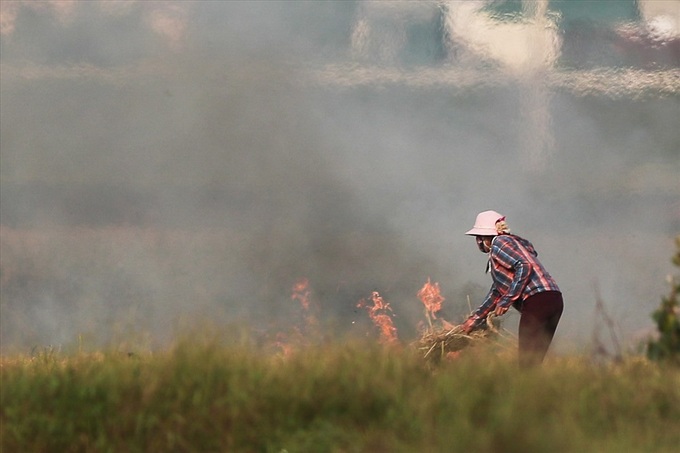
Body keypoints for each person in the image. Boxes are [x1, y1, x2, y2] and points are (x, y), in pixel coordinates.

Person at [461, 210, 563, 367]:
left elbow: (524, 265)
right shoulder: (513, 244)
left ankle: (524, 390)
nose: (477, 242)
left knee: (526, 362)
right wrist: (475, 319)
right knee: (534, 361)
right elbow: (496, 292)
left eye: (477, 238)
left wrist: (507, 300)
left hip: (537, 301)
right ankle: (538, 390)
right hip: (554, 299)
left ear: (483, 238)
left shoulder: (498, 244)